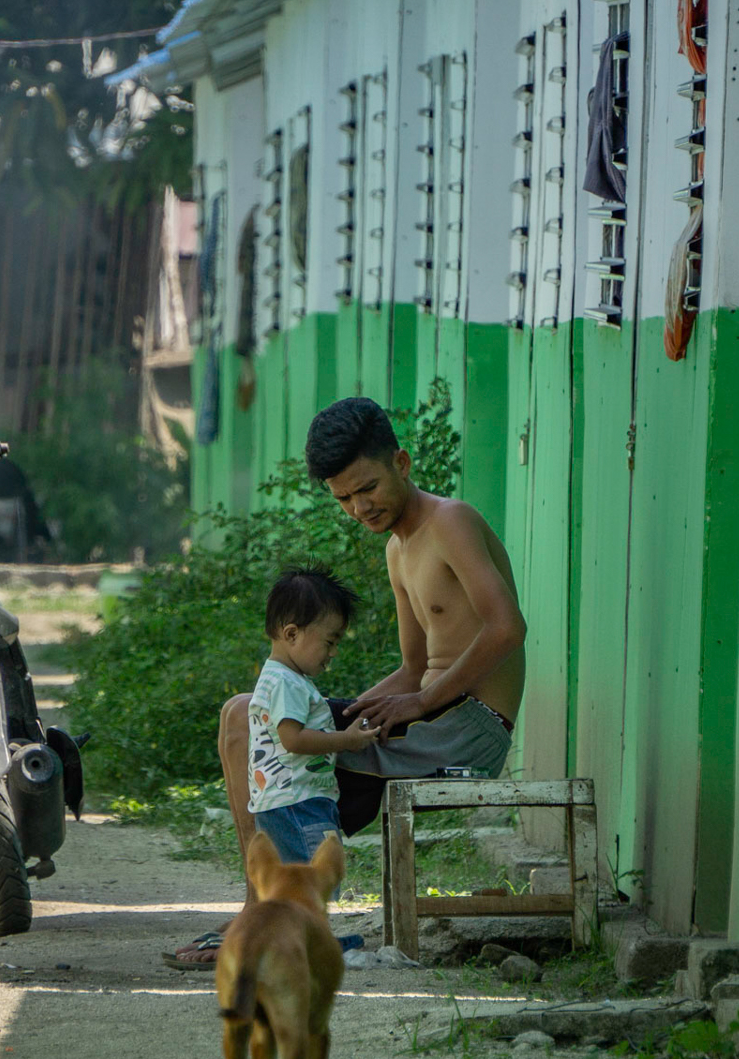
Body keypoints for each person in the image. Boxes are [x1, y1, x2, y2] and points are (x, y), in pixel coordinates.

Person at [168, 397, 527, 968]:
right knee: (247, 713)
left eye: (367, 488)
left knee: (257, 726)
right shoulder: (398, 548)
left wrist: (420, 701)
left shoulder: (451, 521)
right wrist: (339, 710)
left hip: (469, 728)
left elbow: (508, 629)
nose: (360, 507)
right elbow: (413, 668)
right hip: (428, 715)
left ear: (402, 463)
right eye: (343, 498)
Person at [241, 569, 381, 864]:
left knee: (293, 887)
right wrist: (347, 739)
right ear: (292, 633)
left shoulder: (281, 678)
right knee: (314, 883)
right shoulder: (287, 683)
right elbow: (292, 739)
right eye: (330, 642)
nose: (334, 653)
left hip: (288, 803)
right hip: (298, 803)